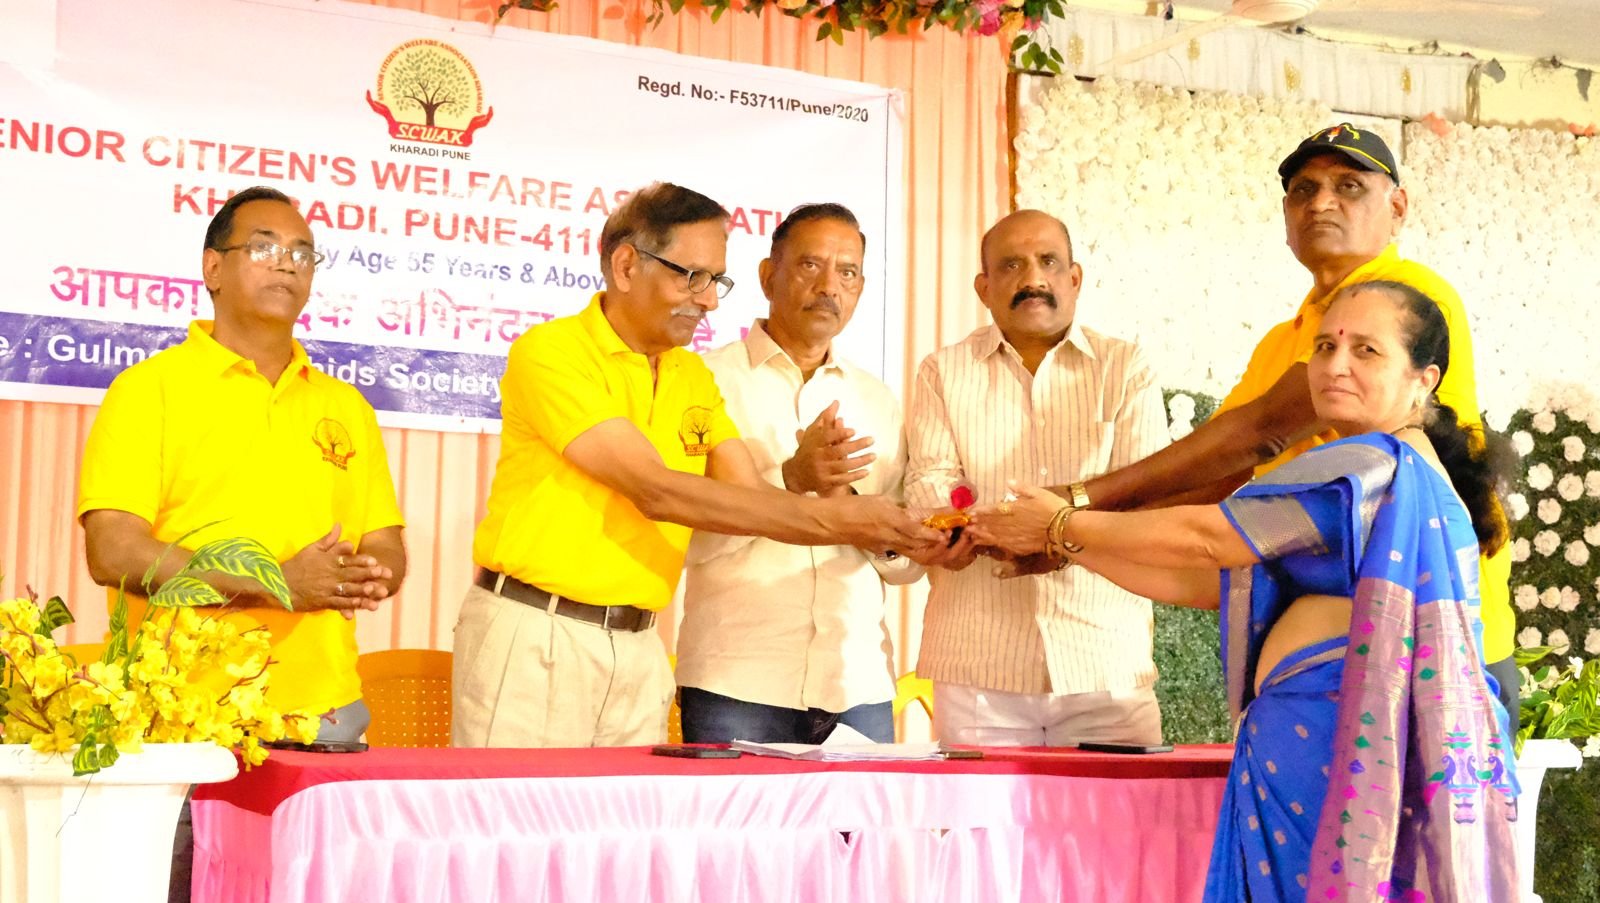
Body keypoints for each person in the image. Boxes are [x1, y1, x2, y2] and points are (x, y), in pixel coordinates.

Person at [973, 280, 1518, 901]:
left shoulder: (1372, 470)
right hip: (1311, 740)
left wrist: (1063, 522)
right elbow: (1204, 579)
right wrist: (1064, 544)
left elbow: (1210, 539)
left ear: (1424, 379)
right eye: (1325, 347)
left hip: (1342, 748)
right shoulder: (1385, 474)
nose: (1335, 365)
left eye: (1365, 350)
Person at [1029, 123, 1518, 716]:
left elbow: (1250, 449)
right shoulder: (1285, 340)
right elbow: (1223, 482)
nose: (1322, 203)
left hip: (1429, 657)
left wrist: (1074, 509)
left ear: (1397, 208)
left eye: (1349, 186)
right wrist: (1062, 534)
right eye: (1303, 190)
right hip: (1316, 676)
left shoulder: (1408, 299)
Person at [454, 183, 941, 750]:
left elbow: (751, 500)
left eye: (715, 281)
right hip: (537, 630)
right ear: (626, 265)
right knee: (517, 806)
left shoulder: (689, 376)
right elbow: (656, 491)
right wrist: (848, 520)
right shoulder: (553, 351)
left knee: (630, 812)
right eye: (692, 277)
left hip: (639, 643)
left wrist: (878, 525)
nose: (708, 300)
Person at [77, 185, 408, 903]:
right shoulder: (149, 391)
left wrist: (370, 572)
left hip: (323, 719)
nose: (286, 263)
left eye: (302, 253)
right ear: (213, 268)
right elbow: (113, 550)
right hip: (183, 726)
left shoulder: (344, 405)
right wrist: (274, 582)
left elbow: (385, 539)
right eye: (263, 247)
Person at [678, 203, 953, 744]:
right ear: (767, 276)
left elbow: (904, 569)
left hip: (857, 683)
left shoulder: (876, 399)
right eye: (810, 265)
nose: (829, 286)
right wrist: (789, 478)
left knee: (862, 810)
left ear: (860, 288)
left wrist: (849, 503)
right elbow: (679, 533)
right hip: (736, 678)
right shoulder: (703, 379)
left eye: (847, 272)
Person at [901, 209, 1169, 747]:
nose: (1033, 279)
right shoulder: (943, 372)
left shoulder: (1124, 367)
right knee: (977, 809)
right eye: (1011, 265)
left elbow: (1148, 495)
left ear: (1074, 278)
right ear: (983, 288)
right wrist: (1002, 527)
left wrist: (1047, 533)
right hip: (977, 665)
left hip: (1106, 664)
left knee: (1120, 806)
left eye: (1048, 262)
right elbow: (930, 487)